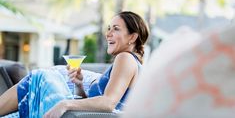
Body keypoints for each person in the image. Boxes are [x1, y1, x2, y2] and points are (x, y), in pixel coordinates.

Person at [0, 11, 149, 117]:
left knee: (40, 76)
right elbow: (102, 103)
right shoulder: (130, 61)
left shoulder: (125, 58)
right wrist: (79, 84)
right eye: (108, 28)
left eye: (116, 29)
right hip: (85, 114)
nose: (108, 33)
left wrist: (66, 104)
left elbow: (109, 103)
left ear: (133, 37)